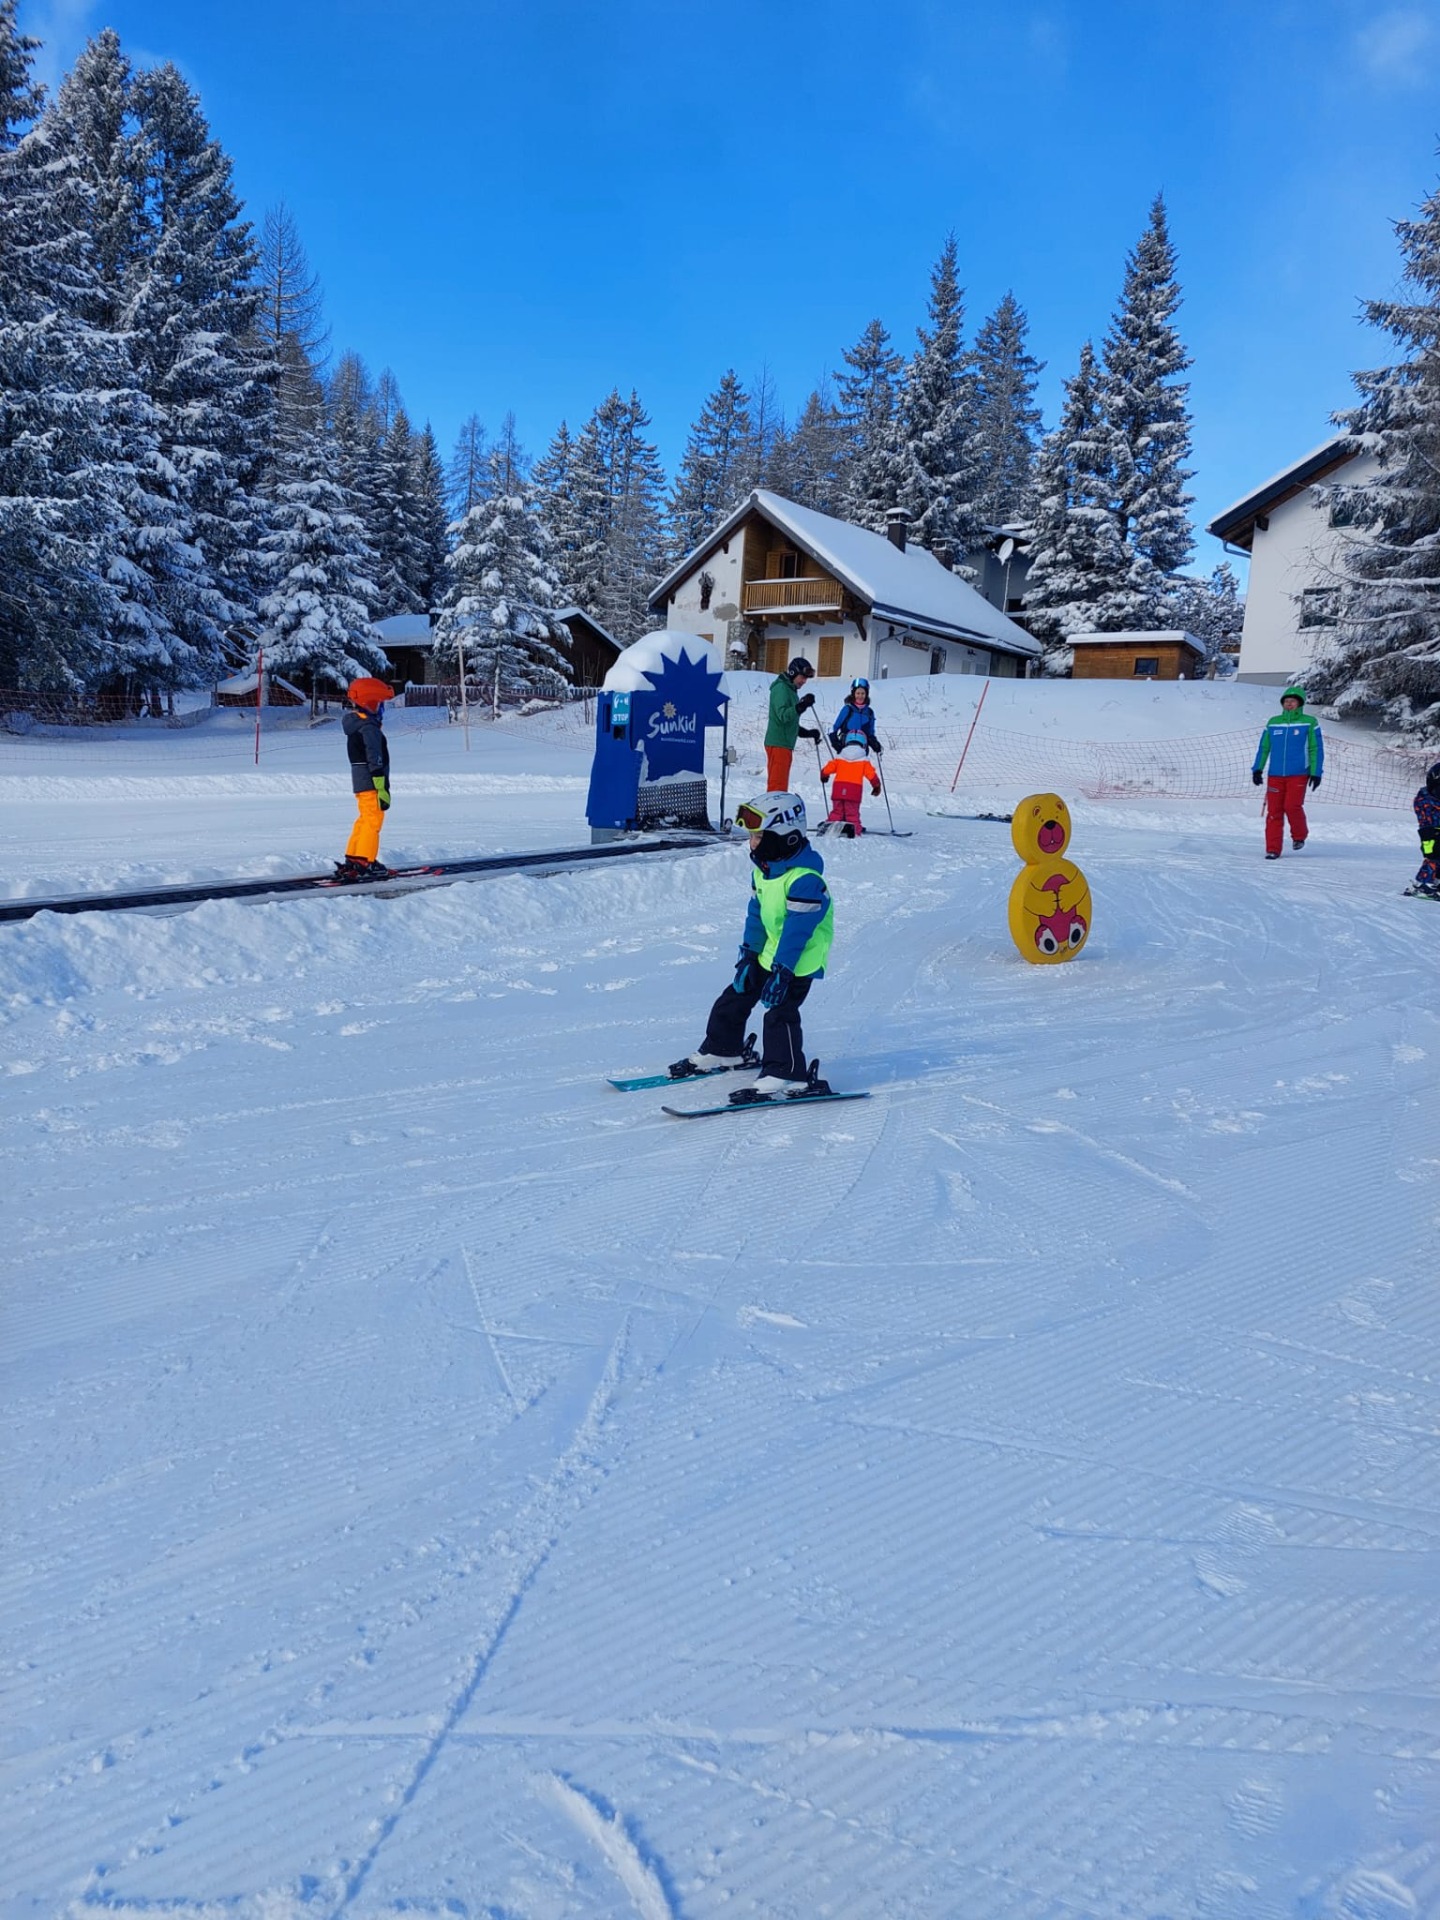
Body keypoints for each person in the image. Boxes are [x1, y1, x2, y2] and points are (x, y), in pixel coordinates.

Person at [669, 791, 834, 1101]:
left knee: (780, 1013)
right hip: (770, 954)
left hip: (798, 962)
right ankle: (724, 1048)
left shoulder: (805, 880)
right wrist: (749, 954)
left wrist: (783, 972)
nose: (752, 843)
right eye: (752, 836)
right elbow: (756, 916)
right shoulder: (765, 871)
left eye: (759, 836)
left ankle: (787, 1074)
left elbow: (797, 933)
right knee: (735, 995)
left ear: (786, 837)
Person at [1251, 685, 1323, 859]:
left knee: (1292, 806)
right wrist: (1257, 769)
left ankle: (1299, 835)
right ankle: (1273, 849)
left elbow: (1315, 748)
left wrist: (1316, 772)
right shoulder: (1273, 722)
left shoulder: (1309, 722)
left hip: (1298, 774)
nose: (1289, 704)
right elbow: (1264, 747)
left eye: (1293, 701)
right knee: (1274, 812)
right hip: (1275, 775)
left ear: (1300, 703)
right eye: (1286, 701)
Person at [336, 676, 395, 880]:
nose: (381, 709)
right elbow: (374, 756)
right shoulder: (368, 727)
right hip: (371, 781)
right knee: (373, 819)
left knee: (364, 818)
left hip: (360, 782)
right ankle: (364, 861)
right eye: (379, 704)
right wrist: (382, 786)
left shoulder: (356, 725)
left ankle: (355, 857)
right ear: (370, 703)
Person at [764, 656, 820, 793]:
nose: (804, 681)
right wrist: (801, 706)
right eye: (802, 677)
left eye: (806, 679)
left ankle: (777, 804)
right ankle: (774, 805)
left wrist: (808, 733)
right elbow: (783, 716)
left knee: (780, 785)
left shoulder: (790, 690)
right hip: (778, 743)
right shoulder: (781, 688)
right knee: (777, 786)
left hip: (784, 744)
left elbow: (790, 722)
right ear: (793, 673)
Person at [820, 732, 882, 837]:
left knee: (837, 811)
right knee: (852, 813)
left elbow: (828, 768)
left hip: (838, 788)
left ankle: (830, 827)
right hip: (853, 790)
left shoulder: (840, 756)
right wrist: (876, 785)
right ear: (864, 744)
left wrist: (824, 775)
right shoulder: (863, 759)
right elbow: (871, 774)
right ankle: (855, 830)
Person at [1405, 761, 1440, 900]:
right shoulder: (1424, 800)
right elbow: (1429, 820)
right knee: (1434, 855)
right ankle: (1424, 884)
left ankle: (1436, 881)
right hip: (1430, 833)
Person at [828, 676, 881, 756]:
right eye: (858, 693)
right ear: (853, 694)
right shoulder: (848, 709)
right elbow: (834, 728)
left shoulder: (869, 712)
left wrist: (874, 743)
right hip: (845, 749)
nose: (860, 696)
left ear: (866, 694)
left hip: (862, 751)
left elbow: (870, 733)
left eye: (863, 693)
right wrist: (835, 742)